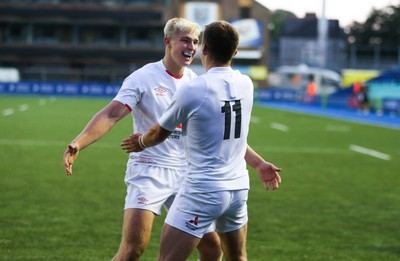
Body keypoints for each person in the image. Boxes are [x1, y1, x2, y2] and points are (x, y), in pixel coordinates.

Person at [63, 17, 223, 261]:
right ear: (167, 42)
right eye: (185, 40)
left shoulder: (196, 82)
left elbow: (214, 129)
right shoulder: (143, 77)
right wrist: (79, 142)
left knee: (212, 245)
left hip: (186, 173)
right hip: (149, 170)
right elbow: (112, 113)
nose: (191, 47)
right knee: (133, 248)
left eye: (195, 41)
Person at [120, 20, 282, 261]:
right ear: (235, 52)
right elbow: (231, 136)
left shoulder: (195, 88)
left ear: (204, 49)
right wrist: (258, 163)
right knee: (237, 257)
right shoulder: (246, 84)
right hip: (238, 190)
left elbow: (159, 133)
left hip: (203, 190)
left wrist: (141, 142)